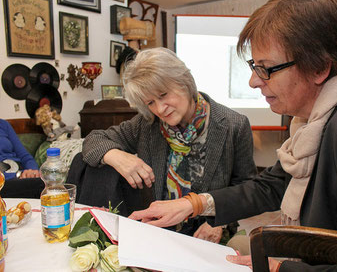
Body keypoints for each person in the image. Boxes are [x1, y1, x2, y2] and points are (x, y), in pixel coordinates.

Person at [128, 0, 337, 271]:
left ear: (319, 67)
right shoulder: (314, 124)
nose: (253, 81)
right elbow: (271, 187)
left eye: (266, 69)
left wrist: (280, 269)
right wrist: (191, 204)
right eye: (254, 67)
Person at [79, 47, 257, 243]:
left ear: (184, 82)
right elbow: (93, 140)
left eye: (163, 95)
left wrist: (218, 223)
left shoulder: (233, 125)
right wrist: (117, 156)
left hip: (205, 233)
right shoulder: (146, 124)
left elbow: (246, 188)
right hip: (157, 232)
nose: (160, 109)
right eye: (150, 103)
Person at [0, 119, 44, 198]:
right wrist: (17, 175)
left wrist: (32, 171)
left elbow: (25, 156)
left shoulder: (3, 124)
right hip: (5, 181)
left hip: (21, 176)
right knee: (41, 185)